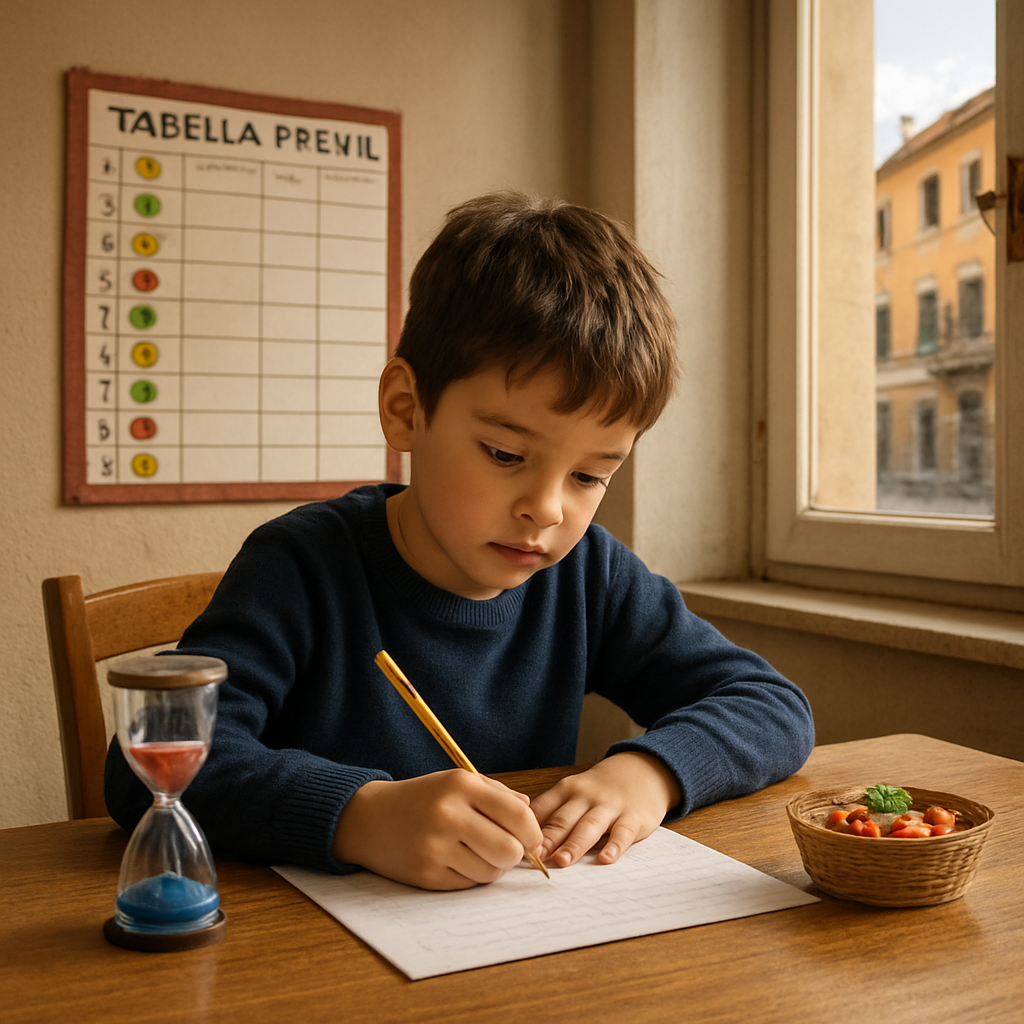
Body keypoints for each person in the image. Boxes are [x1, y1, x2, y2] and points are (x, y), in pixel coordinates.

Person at [105, 191, 814, 891]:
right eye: (506, 455)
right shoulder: (303, 565)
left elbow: (771, 705)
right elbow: (147, 765)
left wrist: (653, 771)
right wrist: (355, 815)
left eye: (591, 475)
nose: (546, 509)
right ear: (406, 411)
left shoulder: (588, 575)